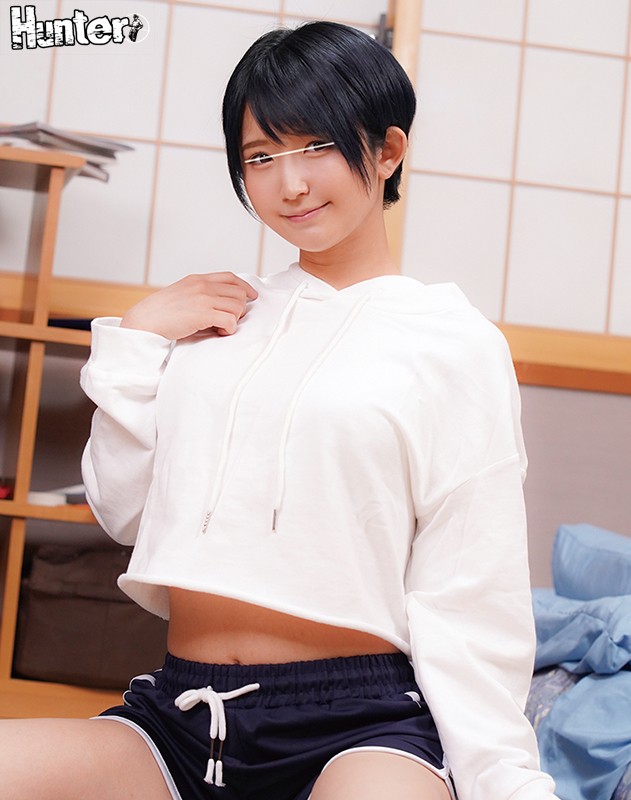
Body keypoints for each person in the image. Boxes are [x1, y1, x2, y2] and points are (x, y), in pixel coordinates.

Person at [0, 21, 559, 800]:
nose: (289, 184)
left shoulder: (452, 343)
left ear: (387, 151)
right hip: (182, 716)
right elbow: (124, 511)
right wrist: (139, 341)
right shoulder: (216, 321)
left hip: (360, 728)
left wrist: (503, 778)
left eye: (315, 147)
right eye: (260, 157)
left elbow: (471, 588)